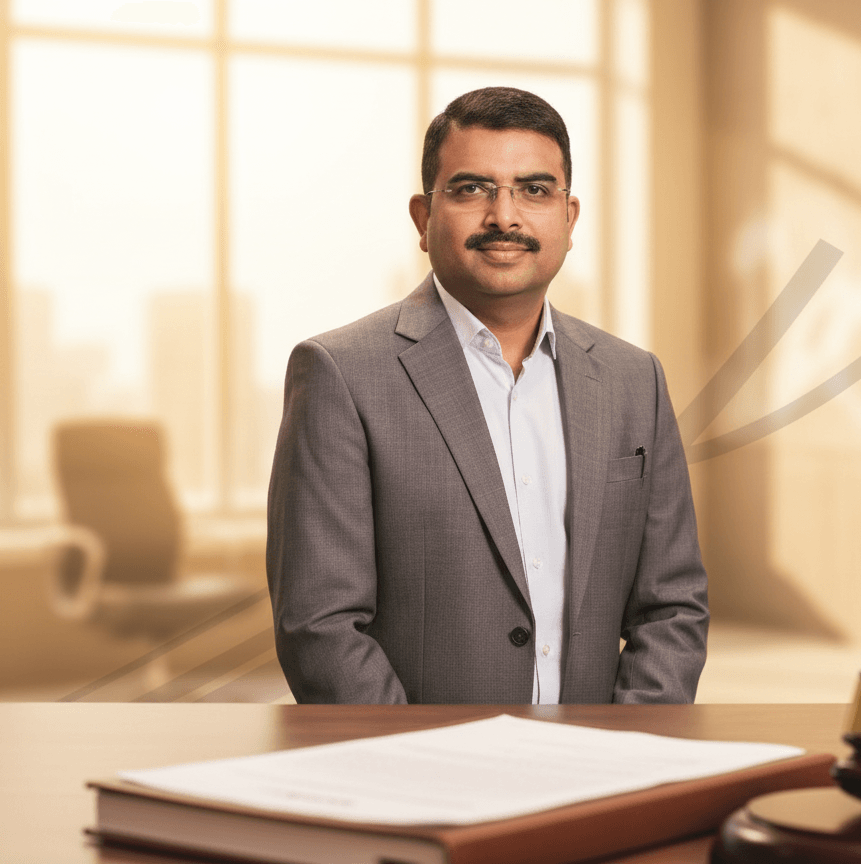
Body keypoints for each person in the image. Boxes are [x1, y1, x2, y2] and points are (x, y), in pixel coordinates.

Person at [267, 86, 708, 704]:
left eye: (534, 190)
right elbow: (319, 625)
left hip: (598, 772)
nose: (505, 216)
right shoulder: (341, 375)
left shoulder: (634, 381)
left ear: (570, 217)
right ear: (424, 218)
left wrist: (626, 750)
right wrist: (420, 768)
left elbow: (673, 608)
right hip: (422, 780)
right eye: (472, 189)